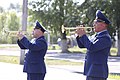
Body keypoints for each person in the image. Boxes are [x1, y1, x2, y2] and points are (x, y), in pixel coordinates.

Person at [76, 10, 112, 80]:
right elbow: (82, 45)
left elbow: (92, 47)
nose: (93, 25)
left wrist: (83, 35)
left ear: (103, 24)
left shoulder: (105, 38)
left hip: (98, 73)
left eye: (96, 22)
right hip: (91, 71)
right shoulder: (95, 36)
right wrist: (79, 36)